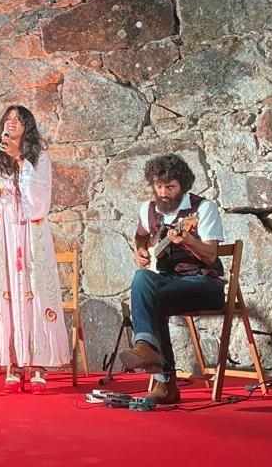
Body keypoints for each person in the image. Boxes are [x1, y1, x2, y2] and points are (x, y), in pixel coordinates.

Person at [0, 105, 70, 393]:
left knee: (34, 292)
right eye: (8, 119)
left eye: (18, 120)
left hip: (28, 231)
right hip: (1, 232)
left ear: (27, 127)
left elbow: (40, 197)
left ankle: (38, 365)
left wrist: (19, 159)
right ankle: (12, 364)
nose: (11, 123)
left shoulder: (38, 156)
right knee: (4, 292)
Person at [119, 153, 225, 404]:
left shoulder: (203, 209)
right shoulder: (148, 209)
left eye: (170, 187)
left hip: (203, 283)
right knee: (142, 277)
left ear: (183, 186)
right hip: (167, 281)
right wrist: (141, 250)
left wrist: (187, 240)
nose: (164, 193)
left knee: (149, 298)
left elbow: (210, 256)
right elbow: (141, 236)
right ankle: (147, 347)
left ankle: (164, 380)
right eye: (158, 186)